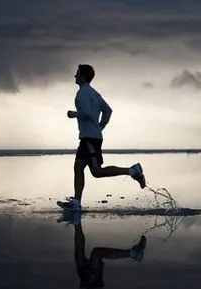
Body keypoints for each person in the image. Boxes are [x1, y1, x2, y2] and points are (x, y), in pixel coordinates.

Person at [59, 64, 146, 211]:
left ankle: (133, 171)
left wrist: (73, 114)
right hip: (90, 137)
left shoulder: (82, 93)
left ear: (84, 76)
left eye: (77, 73)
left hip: (89, 139)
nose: (75, 76)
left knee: (96, 171)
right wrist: (100, 127)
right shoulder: (94, 93)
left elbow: (86, 113)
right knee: (79, 167)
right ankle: (76, 203)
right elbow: (108, 110)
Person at [58, 212, 147, 288]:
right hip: (90, 283)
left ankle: (77, 223)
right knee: (96, 253)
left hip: (88, 282)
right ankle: (134, 254)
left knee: (81, 258)